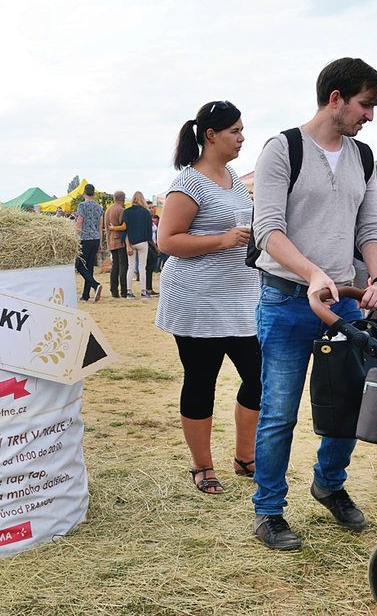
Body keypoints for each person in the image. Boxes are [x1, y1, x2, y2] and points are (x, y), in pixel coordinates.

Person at [250, 58, 377, 550]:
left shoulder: (364, 157)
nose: (370, 115)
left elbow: (371, 229)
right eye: (365, 104)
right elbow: (268, 231)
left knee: (348, 406)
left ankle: (329, 483)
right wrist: (312, 275)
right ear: (336, 98)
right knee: (279, 412)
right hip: (287, 301)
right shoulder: (281, 150)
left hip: (344, 305)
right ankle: (268, 510)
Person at [155, 100, 261, 495]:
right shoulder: (189, 182)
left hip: (240, 300)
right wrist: (221, 240)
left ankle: (244, 456)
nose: (242, 137)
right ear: (211, 135)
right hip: (198, 301)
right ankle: (202, 466)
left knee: (260, 377)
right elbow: (166, 240)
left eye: (242, 129)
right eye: (235, 130)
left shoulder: (233, 176)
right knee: (202, 380)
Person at [73, 184, 104, 302]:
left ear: (84, 193)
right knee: (89, 267)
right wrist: (100, 241)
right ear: (94, 193)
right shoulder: (99, 207)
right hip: (95, 238)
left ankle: (95, 285)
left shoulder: (82, 205)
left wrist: (75, 236)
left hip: (84, 238)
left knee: (79, 265)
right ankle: (86, 295)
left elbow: (79, 222)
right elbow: (100, 226)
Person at [123, 192, 153, 298]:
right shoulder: (146, 213)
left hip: (130, 242)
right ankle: (143, 291)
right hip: (143, 242)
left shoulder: (126, 212)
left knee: (130, 267)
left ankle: (129, 291)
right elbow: (149, 231)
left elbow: (124, 229)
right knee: (142, 267)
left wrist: (127, 245)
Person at [104, 191, 129, 298]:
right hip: (119, 241)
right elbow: (124, 226)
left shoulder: (108, 210)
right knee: (123, 266)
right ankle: (123, 291)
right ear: (123, 199)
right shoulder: (121, 210)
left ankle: (114, 291)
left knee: (115, 266)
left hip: (110, 240)